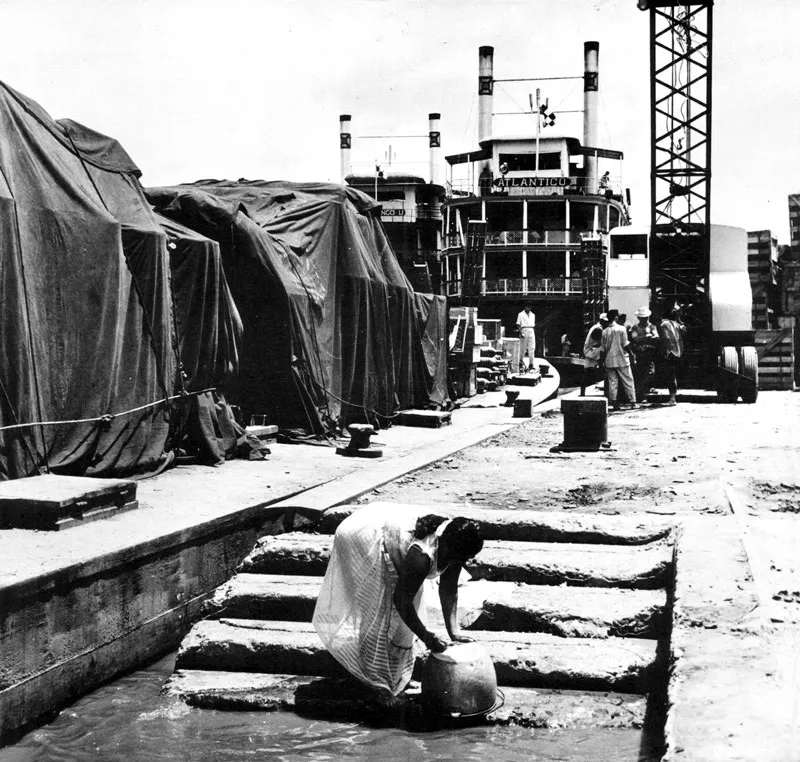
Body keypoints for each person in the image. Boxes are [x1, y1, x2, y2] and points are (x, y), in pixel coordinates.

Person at [312, 504, 483, 703]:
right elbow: (401, 601)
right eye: (462, 558)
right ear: (448, 547)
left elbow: (449, 589)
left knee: (405, 611)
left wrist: (454, 632)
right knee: (377, 609)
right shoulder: (422, 556)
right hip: (363, 535)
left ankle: (396, 677)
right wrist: (427, 636)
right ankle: (376, 683)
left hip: (390, 530)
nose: (464, 562)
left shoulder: (453, 551)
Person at [601, 309, 637, 409]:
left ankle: (614, 403)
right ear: (616, 317)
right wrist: (632, 354)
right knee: (628, 380)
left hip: (609, 360)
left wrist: (601, 361)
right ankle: (632, 402)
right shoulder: (621, 329)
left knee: (612, 382)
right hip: (622, 359)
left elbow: (603, 349)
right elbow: (625, 344)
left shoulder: (605, 331)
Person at [658, 303, 687, 405]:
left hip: (670, 353)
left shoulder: (663, 324)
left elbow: (665, 338)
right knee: (672, 375)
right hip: (678, 352)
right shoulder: (676, 324)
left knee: (670, 375)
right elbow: (684, 331)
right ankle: (673, 397)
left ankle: (672, 399)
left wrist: (666, 351)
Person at [629, 306, 660, 402]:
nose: (644, 319)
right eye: (642, 318)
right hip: (639, 354)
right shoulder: (635, 327)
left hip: (650, 353)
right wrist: (647, 336)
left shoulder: (652, 326)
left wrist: (643, 337)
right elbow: (635, 338)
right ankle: (642, 393)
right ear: (639, 318)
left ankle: (642, 391)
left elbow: (656, 336)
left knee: (651, 373)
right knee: (641, 373)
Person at [581, 312, 608, 396]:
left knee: (587, 371)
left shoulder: (597, 327)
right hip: (591, 351)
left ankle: (582, 392)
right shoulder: (598, 329)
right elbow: (601, 342)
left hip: (591, 350)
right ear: (600, 320)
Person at [516, 303, 537, 371]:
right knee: (523, 348)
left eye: (530, 307)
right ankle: (520, 362)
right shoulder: (520, 314)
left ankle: (531, 364)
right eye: (527, 307)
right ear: (525, 307)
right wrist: (521, 332)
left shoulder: (533, 315)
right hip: (524, 329)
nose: (529, 308)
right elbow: (518, 324)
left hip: (531, 329)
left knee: (532, 347)